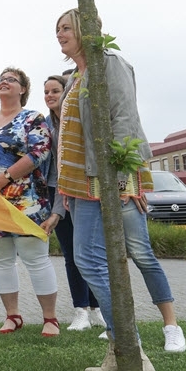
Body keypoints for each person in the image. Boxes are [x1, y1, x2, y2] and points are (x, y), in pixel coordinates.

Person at [55, 8, 186, 371]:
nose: (59, 34)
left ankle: (135, 355)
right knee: (94, 262)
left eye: (66, 27)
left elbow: (124, 117)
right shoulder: (77, 75)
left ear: (86, 29)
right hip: (79, 184)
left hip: (103, 179)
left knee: (91, 262)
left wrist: (124, 177)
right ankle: (116, 351)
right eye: (56, 29)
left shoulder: (108, 63)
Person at [0, 67, 59, 337]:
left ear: (22, 89)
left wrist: (5, 177)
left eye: (11, 80)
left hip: (27, 200)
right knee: (0, 260)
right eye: (1, 80)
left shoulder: (33, 119)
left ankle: (50, 319)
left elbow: (40, 152)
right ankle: (12, 316)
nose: (4, 83)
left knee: (36, 259)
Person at [39, 75, 106, 332]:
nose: (50, 95)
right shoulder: (46, 126)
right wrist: (56, 210)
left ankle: (98, 308)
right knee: (72, 256)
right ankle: (81, 311)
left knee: (91, 254)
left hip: (85, 192)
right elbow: (55, 171)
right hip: (60, 194)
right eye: (46, 92)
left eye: (55, 90)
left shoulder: (79, 121)